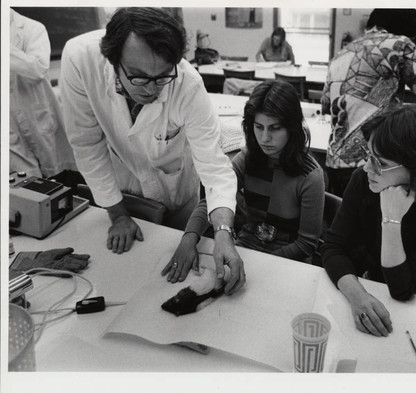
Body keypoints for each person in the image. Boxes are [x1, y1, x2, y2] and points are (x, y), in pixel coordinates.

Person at [59, 7, 244, 295]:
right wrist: (118, 214)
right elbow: (86, 143)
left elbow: (215, 167)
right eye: (139, 77)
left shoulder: (188, 85)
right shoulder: (80, 60)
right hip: (123, 185)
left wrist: (223, 233)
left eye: (162, 77)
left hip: (177, 188)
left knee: (171, 282)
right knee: (128, 278)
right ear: (113, 59)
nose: (151, 89)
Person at [320, 104, 416, 337]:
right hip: (375, 294)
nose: (367, 168)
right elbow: (333, 247)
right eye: (368, 155)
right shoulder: (364, 181)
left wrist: (391, 220)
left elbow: (403, 290)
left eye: (381, 163)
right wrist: (357, 296)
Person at [162, 80, 325, 283]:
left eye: (275, 128)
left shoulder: (311, 176)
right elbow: (214, 200)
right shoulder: (247, 158)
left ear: (292, 128)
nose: (265, 138)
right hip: (246, 248)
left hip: (289, 263)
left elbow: (306, 245)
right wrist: (189, 238)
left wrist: (258, 263)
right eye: (259, 127)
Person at [321, 8, 416, 197]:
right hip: (375, 164)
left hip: (336, 161)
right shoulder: (401, 43)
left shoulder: (341, 53)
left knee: (346, 221)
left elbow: (327, 106)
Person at [10, 8, 77, 179]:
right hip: (9, 125)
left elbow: (37, 70)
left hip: (37, 116)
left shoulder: (32, 28)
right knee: (25, 183)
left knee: (58, 177)